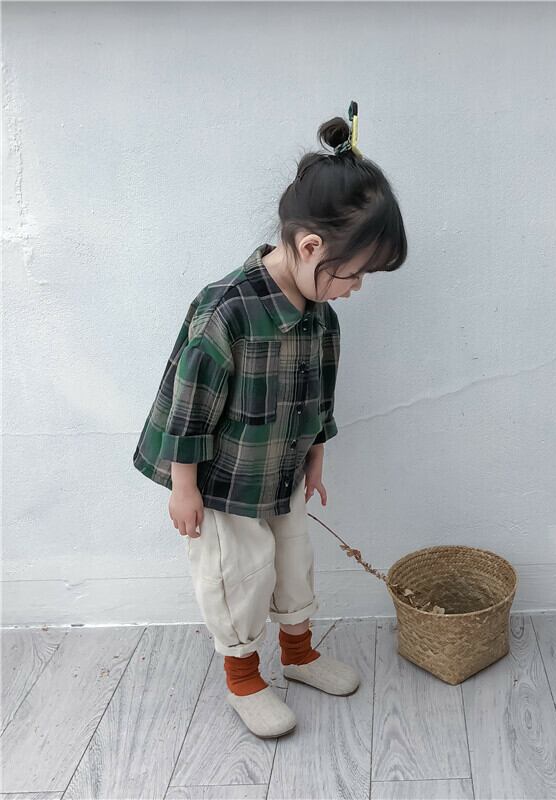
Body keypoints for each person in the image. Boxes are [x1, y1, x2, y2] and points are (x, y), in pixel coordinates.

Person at [132, 101, 407, 738]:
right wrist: (183, 486)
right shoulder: (227, 311)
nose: (355, 289)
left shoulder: (320, 317)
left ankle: (299, 653)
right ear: (311, 247)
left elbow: (319, 393)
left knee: (293, 560)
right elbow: (188, 403)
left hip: (281, 470)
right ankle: (244, 677)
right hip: (224, 482)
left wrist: (316, 454)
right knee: (239, 576)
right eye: (353, 275)